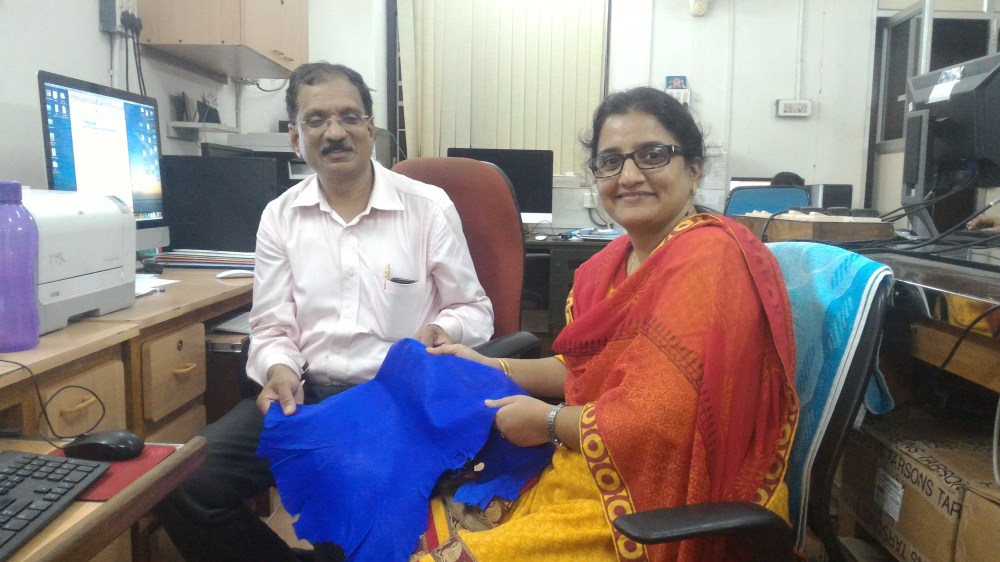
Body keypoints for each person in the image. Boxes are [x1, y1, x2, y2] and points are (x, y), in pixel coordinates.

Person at [416, 87, 799, 562]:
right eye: (610, 162)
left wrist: (550, 422)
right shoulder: (609, 265)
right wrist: (488, 363)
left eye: (653, 155)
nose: (629, 176)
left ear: (695, 169)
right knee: (414, 521)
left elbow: (661, 423)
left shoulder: (709, 260)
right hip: (590, 468)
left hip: (662, 498)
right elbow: (585, 370)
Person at [155, 62, 494, 562]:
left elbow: (476, 309)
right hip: (306, 398)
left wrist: (441, 328)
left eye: (349, 117)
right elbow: (271, 325)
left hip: (392, 400)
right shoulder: (280, 215)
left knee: (349, 517)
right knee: (181, 482)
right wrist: (278, 369)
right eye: (316, 120)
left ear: (372, 127)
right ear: (295, 136)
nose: (335, 132)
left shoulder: (428, 207)